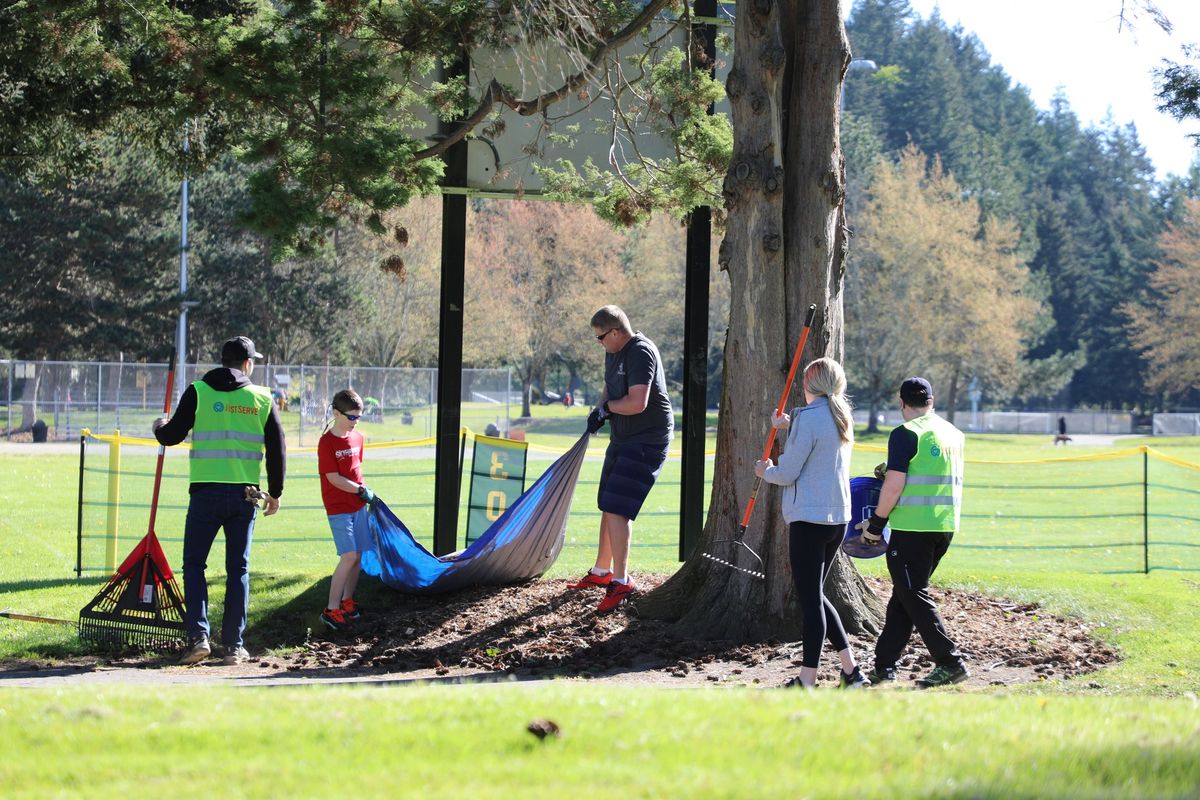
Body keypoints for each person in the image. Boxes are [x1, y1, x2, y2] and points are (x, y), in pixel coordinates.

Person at [153, 336, 286, 666]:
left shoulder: (199, 391)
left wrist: (159, 426)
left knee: (195, 565)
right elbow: (277, 449)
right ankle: (233, 646)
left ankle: (198, 637)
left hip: (205, 493)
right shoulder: (261, 397)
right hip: (245, 496)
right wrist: (276, 492)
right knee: (237, 569)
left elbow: (172, 436)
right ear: (247, 364)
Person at [755, 358, 870, 689]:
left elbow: (788, 472)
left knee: (810, 600)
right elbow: (818, 445)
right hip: (837, 519)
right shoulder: (840, 416)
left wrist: (765, 471)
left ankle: (807, 679)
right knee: (815, 595)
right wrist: (789, 426)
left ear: (808, 385)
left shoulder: (809, 419)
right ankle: (851, 671)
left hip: (809, 518)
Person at [857, 377, 968, 688]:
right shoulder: (953, 433)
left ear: (902, 403)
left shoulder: (906, 434)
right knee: (904, 594)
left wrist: (876, 526)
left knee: (913, 595)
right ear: (931, 401)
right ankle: (884, 665)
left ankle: (951, 662)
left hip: (912, 527)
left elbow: (893, 486)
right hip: (944, 526)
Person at [569, 305, 674, 613]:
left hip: (647, 440)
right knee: (607, 503)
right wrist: (599, 409)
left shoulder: (641, 351)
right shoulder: (614, 351)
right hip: (623, 437)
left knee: (618, 509)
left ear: (615, 332)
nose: (599, 343)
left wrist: (609, 409)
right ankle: (602, 573)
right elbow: (610, 388)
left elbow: (637, 402)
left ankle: (621, 580)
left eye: (600, 337)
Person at [317, 389, 376, 631]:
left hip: (358, 506)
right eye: (351, 417)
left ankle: (347, 602)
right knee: (348, 555)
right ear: (335, 413)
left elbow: (356, 469)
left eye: (358, 417)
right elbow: (334, 478)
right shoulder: (326, 442)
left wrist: (362, 494)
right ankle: (330, 610)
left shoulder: (358, 438)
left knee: (359, 555)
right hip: (339, 508)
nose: (355, 422)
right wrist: (361, 491)